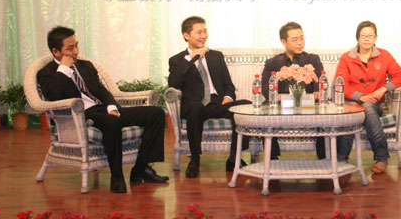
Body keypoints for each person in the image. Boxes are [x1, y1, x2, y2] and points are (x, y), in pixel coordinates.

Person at [37, 26, 168, 194]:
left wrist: (111, 107)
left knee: (156, 113)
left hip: (102, 110)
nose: (76, 52)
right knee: (111, 122)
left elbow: (101, 90)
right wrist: (63, 69)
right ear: (56, 51)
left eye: (76, 46)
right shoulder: (46, 73)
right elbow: (54, 95)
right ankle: (117, 176)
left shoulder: (85, 66)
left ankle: (141, 169)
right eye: (70, 48)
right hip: (80, 115)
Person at [168, 16, 251, 178]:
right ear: (186, 35)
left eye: (205, 31)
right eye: (199, 32)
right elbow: (173, 83)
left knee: (246, 106)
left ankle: (234, 158)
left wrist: (228, 97)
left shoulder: (216, 56)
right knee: (195, 107)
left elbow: (229, 85)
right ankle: (195, 159)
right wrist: (190, 58)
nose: (203, 36)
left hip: (217, 104)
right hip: (195, 106)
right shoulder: (178, 60)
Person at [335, 21, 401, 174]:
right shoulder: (346, 58)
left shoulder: (384, 55)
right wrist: (361, 97)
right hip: (352, 104)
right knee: (359, 110)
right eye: (363, 36)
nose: (367, 39)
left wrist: (383, 89)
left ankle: (342, 158)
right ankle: (381, 157)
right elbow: (340, 84)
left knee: (367, 108)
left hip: (375, 104)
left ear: (376, 38)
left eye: (370, 36)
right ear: (357, 38)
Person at [261, 21, 326, 160]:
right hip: (281, 105)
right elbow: (266, 89)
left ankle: (324, 157)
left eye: (302, 38)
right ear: (283, 42)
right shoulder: (272, 63)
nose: (300, 43)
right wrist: (281, 97)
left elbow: (320, 82)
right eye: (295, 40)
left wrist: (316, 92)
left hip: (308, 104)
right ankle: (272, 158)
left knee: (324, 112)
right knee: (265, 110)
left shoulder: (312, 59)